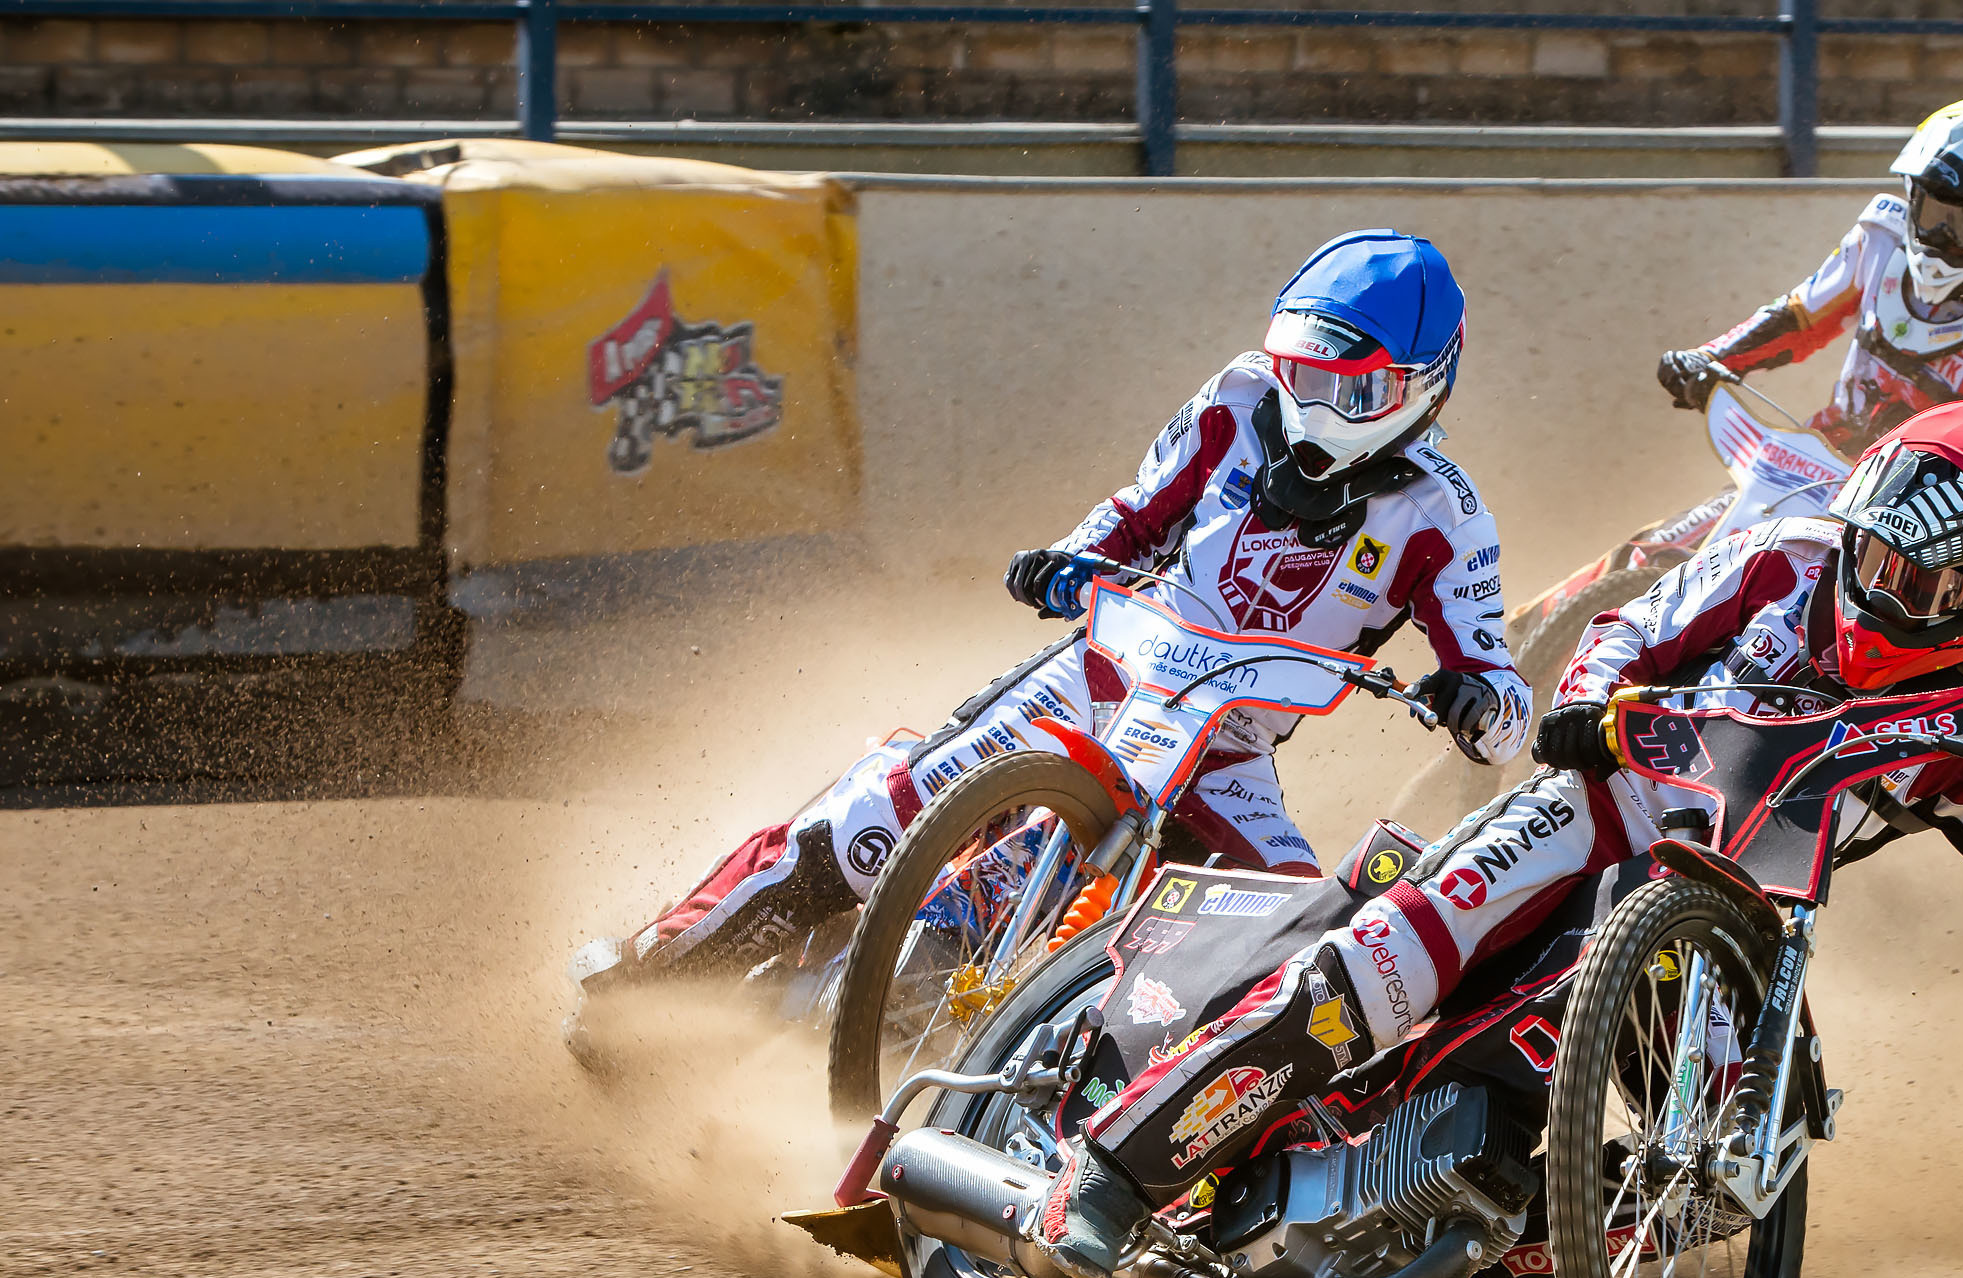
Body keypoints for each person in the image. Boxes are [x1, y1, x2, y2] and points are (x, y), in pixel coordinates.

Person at [1029, 398, 1963, 1278]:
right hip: (1610, 800)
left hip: (1737, 917)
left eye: (1922, 586)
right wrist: (1587, 702)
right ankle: (1111, 1171)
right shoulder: (1790, 553)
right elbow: (1632, 625)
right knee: (1386, 959)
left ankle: (1479, 1241)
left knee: (1742, 1155)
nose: (1879, 590)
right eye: (1875, 557)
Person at [568, 230, 1533, 1015]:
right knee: (873, 820)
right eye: (1302, 373)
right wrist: (1065, 561)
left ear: (1422, 383)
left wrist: (1474, 701)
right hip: (1108, 672)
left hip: (1232, 751)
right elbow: (1138, 511)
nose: (1314, 408)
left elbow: (1505, 708)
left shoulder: (1448, 517)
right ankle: (652, 966)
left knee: (1298, 952)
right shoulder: (1240, 397)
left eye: (1350, 391)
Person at [1656, 95, 1963, 562]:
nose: (1941, 239)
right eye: (1933, 213)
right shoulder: (1880, 242)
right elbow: (1799, 318)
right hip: (1811, 466)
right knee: (1657, 551)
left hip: (1911, 534)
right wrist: (1710, 358)